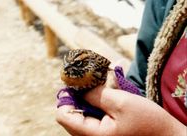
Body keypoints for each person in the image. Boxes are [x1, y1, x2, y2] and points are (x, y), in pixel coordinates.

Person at [56, 0, 187, 135]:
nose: (67, 67)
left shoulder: (94, 69)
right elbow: (142, 75)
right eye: (66, 64)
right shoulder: (167, 4)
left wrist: (167, 132)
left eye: (76, 64)